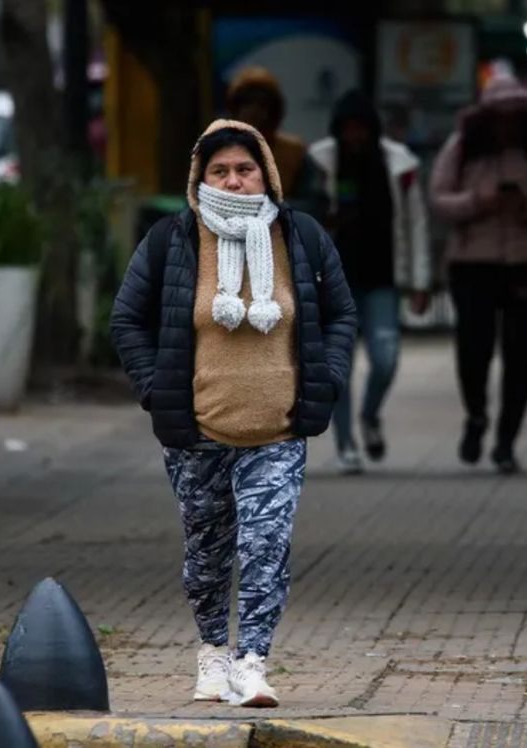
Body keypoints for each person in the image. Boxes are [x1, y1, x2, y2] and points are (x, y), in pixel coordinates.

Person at [110, 120, 356, 707]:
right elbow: (127, 320)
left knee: (266, 543)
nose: (234, 180)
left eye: (245, 169)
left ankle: (252, 661)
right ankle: (214, 652)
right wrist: (156, 389)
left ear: (266, 173)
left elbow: (342, 314)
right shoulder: (174, 240)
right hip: (197, 433)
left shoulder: (301, 237)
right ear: (200, 177)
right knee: (206, 554)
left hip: (278, 430)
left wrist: (328, 378)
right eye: (220, 170)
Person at [429, 73, 527, 474]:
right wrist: (478, 201)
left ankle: (507, 440)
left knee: (520, 355)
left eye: (516, 116)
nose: (508, 124)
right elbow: (438, 198)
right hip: (472, 263)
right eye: (501, 116)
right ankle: (476, 416)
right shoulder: (461, 148)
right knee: (474, 349)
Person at [308, 90, 431, 474]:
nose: (354, 136)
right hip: (333, 281)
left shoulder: (399, 164)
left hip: (382, 277)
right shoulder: (321, 161)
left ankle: (370, 415)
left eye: (361, 128)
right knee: (337, 367)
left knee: (386, 357)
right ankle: (346, 445)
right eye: (348, 129)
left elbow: (416, 224)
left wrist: (420, 281)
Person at [226, 66, 327, 218]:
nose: (254, 110)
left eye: (261, 104)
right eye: (247, 103)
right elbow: (197, 201)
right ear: (235, 108)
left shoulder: (294, 151)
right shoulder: (217, 149)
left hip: (284, 233)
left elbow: (316, 202)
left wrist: (271, 208)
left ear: (274, 110)